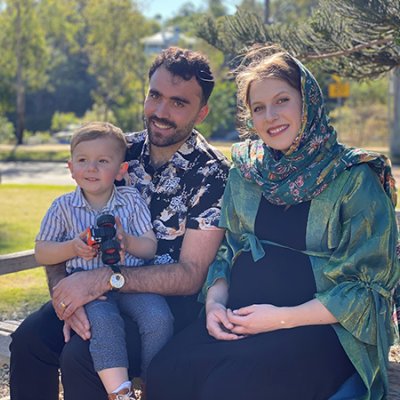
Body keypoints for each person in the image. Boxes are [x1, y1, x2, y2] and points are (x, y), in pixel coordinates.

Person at [146, 44, 400, 400]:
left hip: (319, 330)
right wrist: (216, 305)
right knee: (165, 373)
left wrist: (281, 317)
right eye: (259, 107)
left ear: (307, 101)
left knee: (231, 390)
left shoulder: (353, 178)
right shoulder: (248, 171)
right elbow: (228, 251)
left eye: (282, 100)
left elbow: (367, 289)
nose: (270, 116)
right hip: (242, 318)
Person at [9, 47, 230, 400]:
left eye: (178, 103)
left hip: (164, 307)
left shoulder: (213, 174)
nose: (160, 111)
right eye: (155, 96)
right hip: (92, 292)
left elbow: (191, 275)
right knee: (30, 340)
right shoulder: (116, 150)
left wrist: (101, 281)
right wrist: (66, 296)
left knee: (80, 355)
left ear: (201, 112)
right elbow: (69, 227)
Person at [34, 121, 174, 400]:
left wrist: (127, 241)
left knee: (159, 317)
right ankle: (120, 392)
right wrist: (72, 248)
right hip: (92, 295)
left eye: (102, 161)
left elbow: (149, 248)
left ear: (121, 170)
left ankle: (152, 384)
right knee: (105, 324)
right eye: (83, 160)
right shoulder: (62, 208)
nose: (91, 168)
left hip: (133, 285)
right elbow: (42, 251)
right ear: (70, 167)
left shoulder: (131, 200)